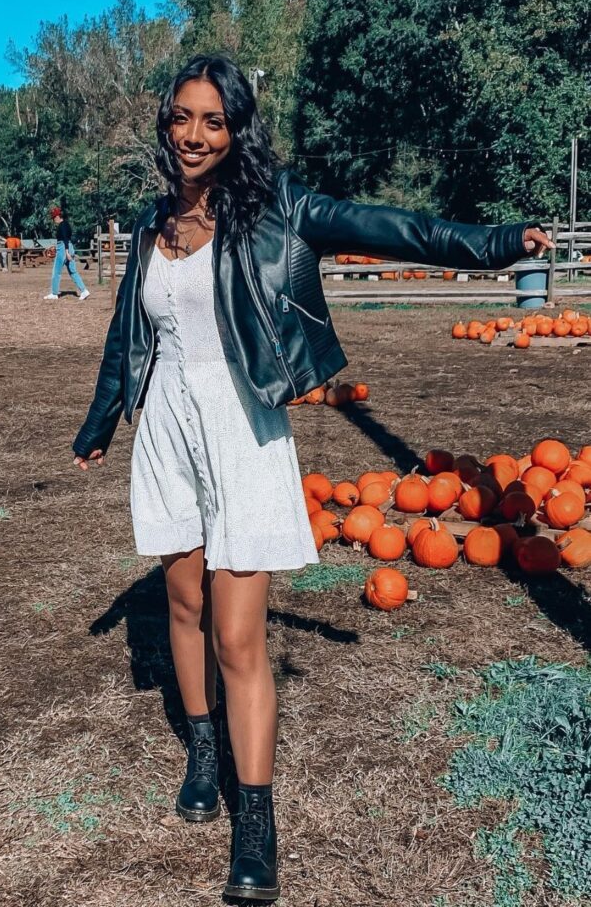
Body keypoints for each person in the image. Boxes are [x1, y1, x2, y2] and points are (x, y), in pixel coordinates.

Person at [71, 54, 552, 901]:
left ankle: (254, 825)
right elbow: (127, 334)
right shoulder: (152, 222)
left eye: (213, 121)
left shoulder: (276, 208)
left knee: (237, 637)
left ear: (236, 130)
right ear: (165, 122)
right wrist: (101, 417)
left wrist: (491, 244)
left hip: (243, 429)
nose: (193, 135)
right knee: (180, 606)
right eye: (182, 117)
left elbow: (388, 228)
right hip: (168, 434)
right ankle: (201, 748)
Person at [44, 206, 90, 301]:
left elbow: (64, 238)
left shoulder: (62, 225)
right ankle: (84, 291)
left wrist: (66, 252)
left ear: (57, 216)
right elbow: (68, 238)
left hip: (63, 249)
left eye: (53, 218)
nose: (53, 220)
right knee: (73, 271)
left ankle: (54, 293)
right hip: (69, 246)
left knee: (56, 272)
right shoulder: (67, 224)